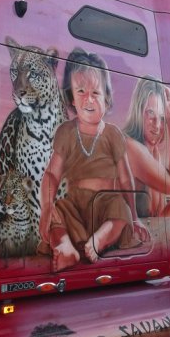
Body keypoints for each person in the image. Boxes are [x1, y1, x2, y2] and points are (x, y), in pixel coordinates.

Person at [39, 48, 150, 272]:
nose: (89, 99)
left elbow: (126, 178)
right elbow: (52, 174)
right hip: (76, 204)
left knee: (122, 211)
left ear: (106, 99)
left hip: (107, 202)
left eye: (96, 93)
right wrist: (47, 207)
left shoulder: (112, 134)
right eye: (81, 91)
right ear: (71, 97)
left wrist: (136, 218)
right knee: (57, 211)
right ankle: (66, 247)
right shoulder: (66, 132)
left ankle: (100, 240)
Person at [123, 77, 170, 217]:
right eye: (150, 113)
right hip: (129, 235)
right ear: (138, 111)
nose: (157, 125)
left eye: (163, 118)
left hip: (148, 232)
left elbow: (159, 212)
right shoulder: (130, 147)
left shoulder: (154, 153)